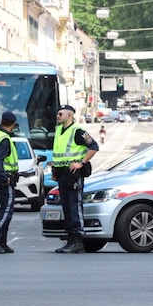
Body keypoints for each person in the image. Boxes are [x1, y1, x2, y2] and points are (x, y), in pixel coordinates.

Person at [52, 105, 99, 254]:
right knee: (66, 207)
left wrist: (82, 163)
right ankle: (70, 240)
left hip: (73, 174)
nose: (58, 116)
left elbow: (94, 146)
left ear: (70, 116)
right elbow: (58, 153)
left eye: (61, 114)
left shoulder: (77, 131)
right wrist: (55, 170)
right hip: (62, 174)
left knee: (74, 206)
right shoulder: (59, 130)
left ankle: (77, 240)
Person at [0, 111, 19, 254]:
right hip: (5, 180)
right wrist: (5, 177)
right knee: (6, 211)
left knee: (6, 210)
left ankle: (3, 243)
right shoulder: (5, 139)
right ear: (13, 124)